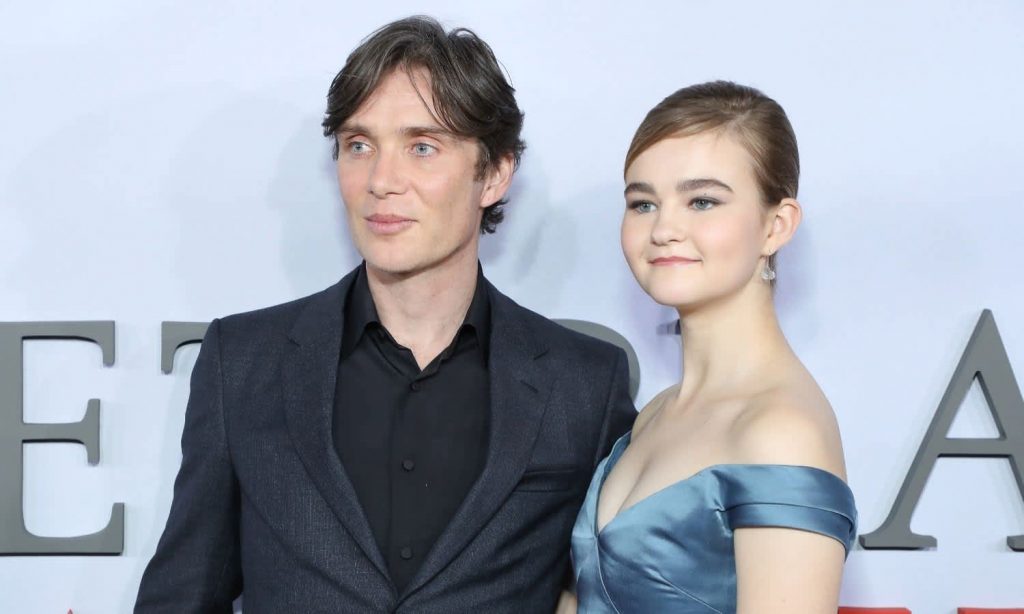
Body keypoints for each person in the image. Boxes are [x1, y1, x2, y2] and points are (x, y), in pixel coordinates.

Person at [135, 16, 635, 613]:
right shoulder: (243, 363)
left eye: (422, 147)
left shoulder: (583, 385)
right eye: (359, 145)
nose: (381, 180)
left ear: (495, 174)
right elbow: (181, 597)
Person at [569, 81, 857, 613]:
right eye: (643, 203)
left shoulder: (780, 432)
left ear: (776, 226)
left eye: (702, 201)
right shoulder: (656, 413)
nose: (664, 228)